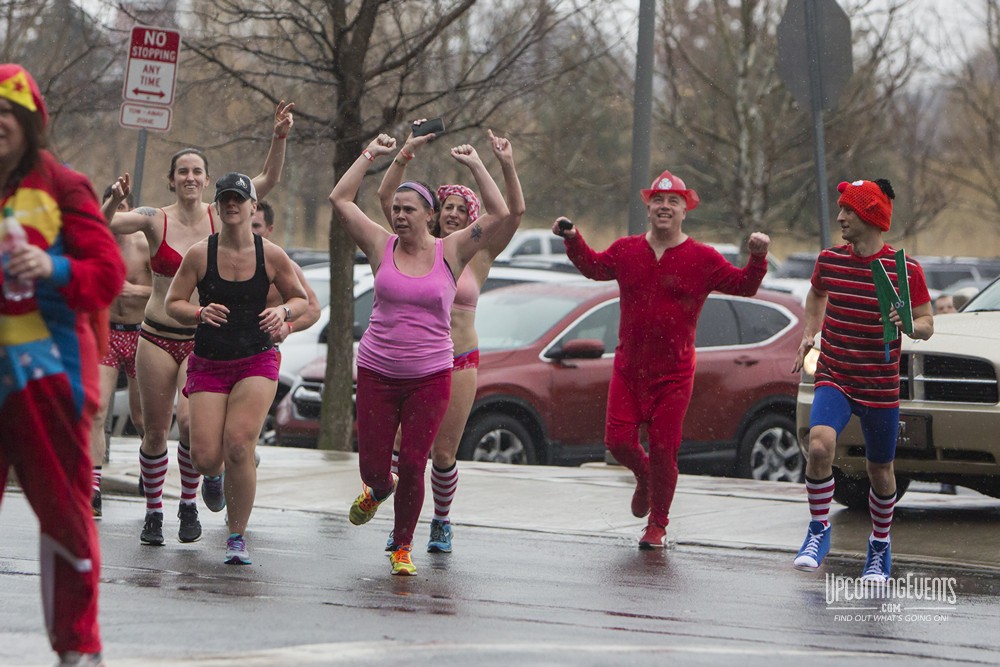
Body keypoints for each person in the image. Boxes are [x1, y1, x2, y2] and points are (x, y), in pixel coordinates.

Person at [107, 101, 294, 547]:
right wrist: (111, 201)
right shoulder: (155, 218)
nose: (190, 177)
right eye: (182, 171)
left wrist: (279, 138)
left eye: (197, 171)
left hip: (203, 340)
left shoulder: (222, 212)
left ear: (207, 180)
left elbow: (265, 182)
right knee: (155, 430)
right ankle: (154, 512)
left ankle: (189, 500)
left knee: (190, 426)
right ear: (172, 179)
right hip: (155, 334)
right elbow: (104, 225)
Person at [552, 169, 771, 549]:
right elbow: (594, 266)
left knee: (665, 449)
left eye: (673, 201)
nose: (664, 207)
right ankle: (645, 477)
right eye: (658, 200)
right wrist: (573, 238)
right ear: (648, 207)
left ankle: (658, 524)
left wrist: (758, 256)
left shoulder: (702, 258)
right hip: (628, 368)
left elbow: (744, 286)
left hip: (674, 374)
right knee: (618, 441)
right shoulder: (626, 250)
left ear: (685, 211)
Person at [329, 133, 509, 576]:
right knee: (376, 467)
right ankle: (376, 488)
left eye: (410, 210)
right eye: (397, 210)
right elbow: (340, 197)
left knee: (414, 461)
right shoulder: (380, 244)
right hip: (377, 371)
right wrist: (377, 151)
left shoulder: (454, 251)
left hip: (432, 374)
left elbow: (502, 212)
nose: (400, 215)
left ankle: (403, 546)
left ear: (430, 216)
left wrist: (479, 165)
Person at [0, 63, 125, 667]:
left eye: (8, 113)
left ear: (30, 123)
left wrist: (52, 270)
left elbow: (108, 274)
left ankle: (77, 648)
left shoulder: (62, 185)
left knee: (65, 517)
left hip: (48, 379)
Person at [376, 124, 524, 554]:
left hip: (459, 360)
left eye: (464, 208)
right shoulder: (416, 247)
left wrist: (496, 163)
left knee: (442, 453)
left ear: (474, 216)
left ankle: (441, 521)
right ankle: (403, 522)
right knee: (403, 452)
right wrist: (404, 153)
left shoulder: (478, 253)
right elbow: (387, 200)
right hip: (413, 360)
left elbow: (514, 212)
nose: (454, 213)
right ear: (435, 213)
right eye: (448, 206)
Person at [791, 178, 933, 582]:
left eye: (848, 211)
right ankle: (818, 530)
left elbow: (927, 324)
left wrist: (910, 324)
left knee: (880, 471)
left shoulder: (905, 270)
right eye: (840, 210)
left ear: (870, 216)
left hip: (880, 386)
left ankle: (879, 545)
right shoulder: (830, 260)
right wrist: (809, 333)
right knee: (819, 446)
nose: (840, 218)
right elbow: (816, 296)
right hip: (835, 374)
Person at [165, 172, 307, 564]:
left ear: (252, 207)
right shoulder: (199, 254)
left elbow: (300, 299)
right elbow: (172, 303)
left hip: (256, 358)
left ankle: (236, 535)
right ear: (217, 206)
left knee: (240, 444)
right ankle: (214, 476)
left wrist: (282, 311)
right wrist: (197, 311)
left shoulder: (271, 255)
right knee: (206, 456)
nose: (232, 205)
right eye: (225, 199)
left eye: (239, 200)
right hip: (210, 361)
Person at [87, 183, 151, 518]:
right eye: (114, 205)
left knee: (143, 418)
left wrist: (133, 290)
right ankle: (93, 487)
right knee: (97, 410)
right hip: (106, 333)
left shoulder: (143, 244)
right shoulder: (96, 243)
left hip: (141, 335)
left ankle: (149, 463)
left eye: (125, 205)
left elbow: (165, 290)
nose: (119, 212)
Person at [250, 199, 322, 345]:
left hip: (265, 349)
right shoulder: (221, 260)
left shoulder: (284, 266)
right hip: (225, 349)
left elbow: (313, 309)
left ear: (269, 229)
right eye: (248, 225)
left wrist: (288, 327)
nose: (251, 230)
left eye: (256, 226)